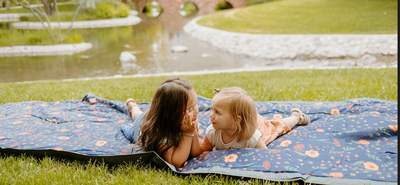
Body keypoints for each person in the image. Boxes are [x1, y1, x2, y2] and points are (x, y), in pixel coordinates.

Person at [120, 77, 202, 168]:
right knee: (137, 116)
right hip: (140, 125)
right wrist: (187, 133)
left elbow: (196, 153)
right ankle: (132, 107)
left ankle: (134, 107)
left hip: (150, 115)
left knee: (142, 114)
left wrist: (192, 131)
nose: (196, 111)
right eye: (191, 108)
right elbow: (175, 162)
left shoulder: (187, 122)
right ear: (171, 113)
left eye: (195, 105)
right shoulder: (161, 131)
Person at [201, 87, 310, 151]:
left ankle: (296, 117)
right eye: (212, 109)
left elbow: (265, 156)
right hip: (246, 121)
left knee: (276, 126)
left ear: (236, 120)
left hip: (259, 128)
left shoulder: (251, 138)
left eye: (217, 112)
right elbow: (204, 151)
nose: (211, 115)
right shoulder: (212, 132)